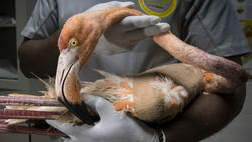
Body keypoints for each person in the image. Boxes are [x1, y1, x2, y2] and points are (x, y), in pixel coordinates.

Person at [18, 0, 250, 142]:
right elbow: (27, 61)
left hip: (162, 123)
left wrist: (155, 139)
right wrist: (84, 40)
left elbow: (233, 84)